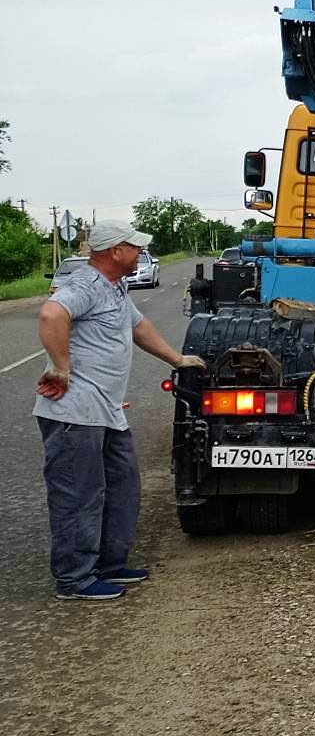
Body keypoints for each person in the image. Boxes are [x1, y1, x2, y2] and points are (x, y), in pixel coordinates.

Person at [35, 218, 206, 600]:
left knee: (121, 486)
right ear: (115, 251)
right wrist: (60, 367)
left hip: (106, 411)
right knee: (79, 494)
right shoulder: (84, 285)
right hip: (73, 413)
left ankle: (109, 563)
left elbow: (139, 326)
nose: (140, 252)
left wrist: (177, 359)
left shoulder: (115, 288)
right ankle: (74, 578)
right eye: (134, 246)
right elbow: (51, 315)